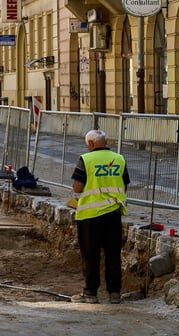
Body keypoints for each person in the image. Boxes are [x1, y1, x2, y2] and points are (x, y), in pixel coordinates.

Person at [70, 129, 130, 304]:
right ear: (105, 142)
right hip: (113, 214)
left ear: (90, 144)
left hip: (90, 215)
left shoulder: (86, 159)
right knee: (113, 254)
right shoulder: (119, 159)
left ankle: (90, 293)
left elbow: (77, 187)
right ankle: (114, 293)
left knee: (90, 255)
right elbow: (124, 185)